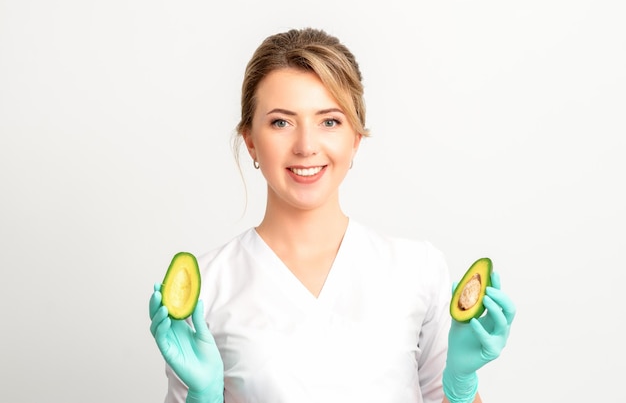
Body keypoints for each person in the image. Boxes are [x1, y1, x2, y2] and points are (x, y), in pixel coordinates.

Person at [149, 27, 516, 403]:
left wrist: (460, 386)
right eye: (281, 122)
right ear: (251, 141)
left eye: (329, 121)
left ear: (355, 139)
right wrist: (201, 398)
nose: (306, 146)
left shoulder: (418, 269)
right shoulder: (207, 285)